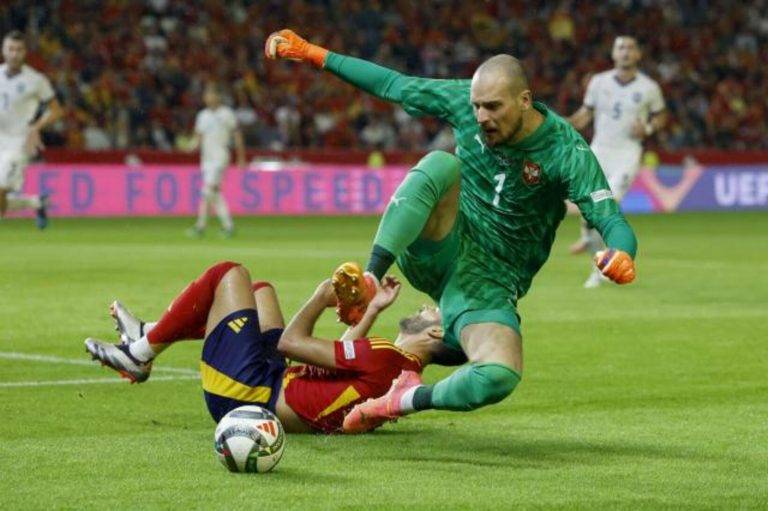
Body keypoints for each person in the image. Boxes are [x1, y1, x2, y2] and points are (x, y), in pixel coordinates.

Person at [265, 30, 638, 433]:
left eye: (493, 107)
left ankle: (402, 399)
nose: (481, 117)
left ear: (525, 101)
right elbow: (393, 85)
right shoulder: (466, 103)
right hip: (444, 240)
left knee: (500, 374)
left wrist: (621, 252)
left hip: (488, 282)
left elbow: (610, 218)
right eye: (477, 106)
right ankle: (372, 275)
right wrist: (315, 54)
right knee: (441, 165)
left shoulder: (566, 153)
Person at [83, 261, 455, 433]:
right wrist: (371, 309)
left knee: (228, 274)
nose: (427, 306)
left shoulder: (388, 358)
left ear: (436, 335)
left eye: (435, 312)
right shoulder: (400, 373)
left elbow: (290, 343)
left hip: (248, 392)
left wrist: (320, 296)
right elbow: (345, 370)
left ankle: (140, 353)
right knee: (261, 291)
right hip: (270, 383)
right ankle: (150, 332)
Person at [568, 36, 666, 287]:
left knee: (604, 206)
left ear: (638, 55)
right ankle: (597, 266)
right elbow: (583, 116)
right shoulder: (599, 83)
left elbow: (661, 116)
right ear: (613, 54)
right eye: (620, 47)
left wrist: (648, 127)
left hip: (627, 153)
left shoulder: (648, 87)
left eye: (630, 48)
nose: (625, 52)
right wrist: (559, 127)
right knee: (592, 211)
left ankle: (590, 241)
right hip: (599, 151)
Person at [0, 31, 62, 229]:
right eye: (11, 49)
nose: (14, 53)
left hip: (19, 142)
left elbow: (56, 110)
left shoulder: (36, 80)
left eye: (18, 49)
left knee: (0, 188)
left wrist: (36, 127)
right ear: (3, 51)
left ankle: (36, 203)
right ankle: (37, 203)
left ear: (25, 52)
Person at [187, 84, 246, 238]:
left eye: (211, 94)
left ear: (218, 96)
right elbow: (198, 138)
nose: (208, 98)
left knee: (208, 191)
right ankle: (203, 227)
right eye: (206, 95)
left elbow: (237, 135)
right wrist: (191, 146)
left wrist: (240, 157)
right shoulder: (202, 115)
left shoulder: (227, 114)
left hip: (220, 157)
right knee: (212, 193)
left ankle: (221, 226)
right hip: (206, 160)